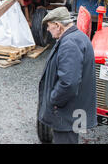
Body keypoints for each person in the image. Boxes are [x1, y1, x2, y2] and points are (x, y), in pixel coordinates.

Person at [37, 7, 97, 144]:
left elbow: (68, 83)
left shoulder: (70, 44)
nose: (47, 30)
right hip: (72, 110)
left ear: (58, 25)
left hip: (66, 112)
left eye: (49, 26)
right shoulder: (76, 37)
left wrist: (54, 101)